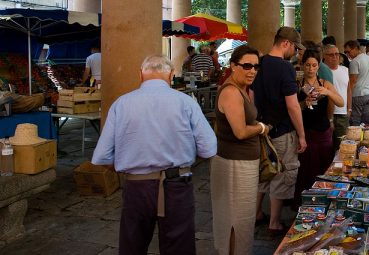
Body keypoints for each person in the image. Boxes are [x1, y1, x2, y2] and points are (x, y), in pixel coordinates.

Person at [91, 55, 217, 255]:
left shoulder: (121, 104)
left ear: (140, 75)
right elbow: (208, 148)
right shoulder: (186, 102)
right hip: (177, 185)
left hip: (135, 187)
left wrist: (130, 166)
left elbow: (102, 156)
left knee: (132, 245)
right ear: (171, 75)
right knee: (179, 247)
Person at [211, 45, 268, 255]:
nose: (252, 70)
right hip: (234, 165)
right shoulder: (231, 92)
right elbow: (241, 132)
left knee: (242, 219)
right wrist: (262, 128)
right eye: (247, 65)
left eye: (256, 66)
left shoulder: (241, 89)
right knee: (235, 219)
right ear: (233, 66)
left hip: (241, 163)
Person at [251, 26, 307, 235]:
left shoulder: (259, 64)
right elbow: (292, 106)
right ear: (286, 43)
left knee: (264, 172)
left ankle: (256, 214)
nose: (295, 52)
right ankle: (274, 222)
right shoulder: (285, 68)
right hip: (282, 130)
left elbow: (251, 97)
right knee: (282, 174)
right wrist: (301, 135)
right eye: (295, 47)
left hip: (261, 129)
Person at [294, 49, 343, 206]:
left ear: (318, 66)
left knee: (323, 167)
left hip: (323, 132)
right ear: (303, 65)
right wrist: (303, 103)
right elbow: (290, 108)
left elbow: (340, 102)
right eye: (307, 65)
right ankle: (305, 203)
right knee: (305, 170)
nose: (310, 68)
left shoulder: (324, 83)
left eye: (314, 65)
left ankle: (325, 201)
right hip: (305, 132)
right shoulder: (297, 85)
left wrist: (328, 92)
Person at [323, 44, 350, 151]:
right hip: (327, 113)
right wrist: (330, 119)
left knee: (342, 146)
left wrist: (349, 109)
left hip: (343, 114)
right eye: (331, 55)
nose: (335, 57)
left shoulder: (345, 70)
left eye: (337, 54)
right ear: (324, 56)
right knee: (328, 145)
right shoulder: (321, 72)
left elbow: (349, 90)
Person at [344, 40, 369, 125]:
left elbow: (352, 82)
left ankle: (355, 139)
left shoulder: (355, 62)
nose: (347, 54)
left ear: (355, 48)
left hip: (358, 95)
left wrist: (348, 99)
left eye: (348, 51)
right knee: (364, 123)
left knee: (355, 123)